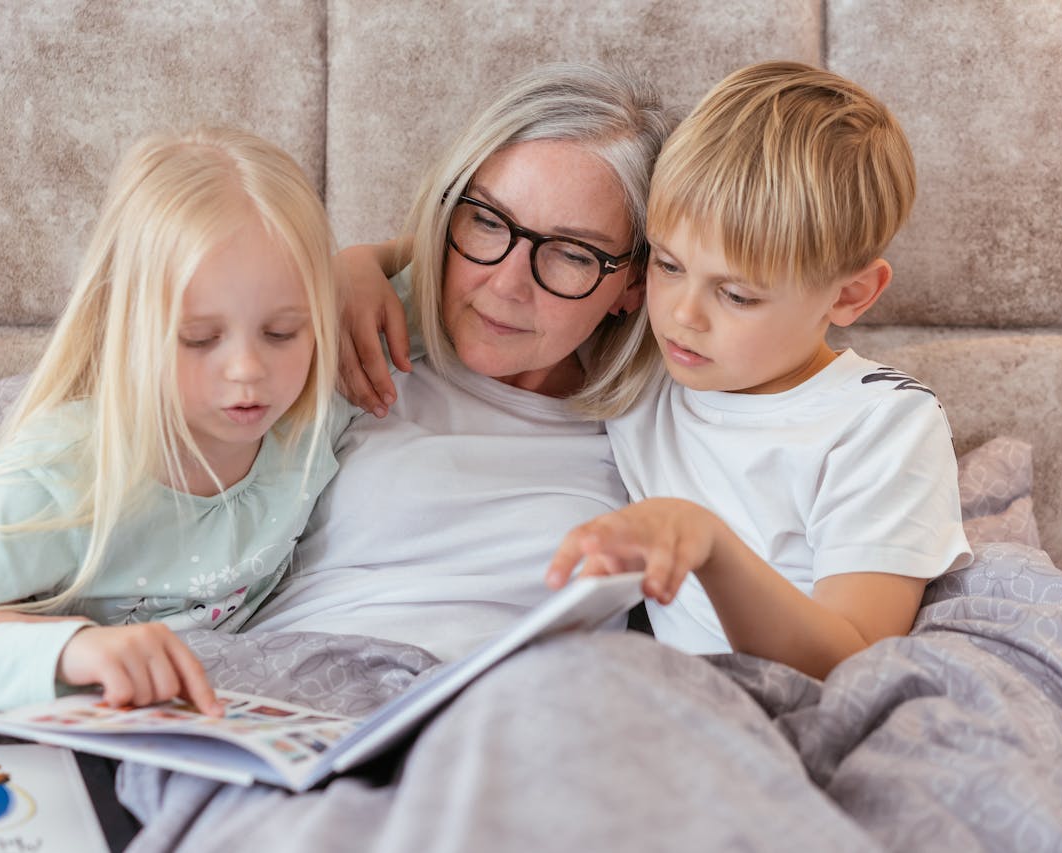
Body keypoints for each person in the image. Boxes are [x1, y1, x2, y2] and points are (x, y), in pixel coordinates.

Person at [0, 127, 345, 715]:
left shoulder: (313, 410)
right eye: (198, 339)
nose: (248, 371)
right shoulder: (65, 471)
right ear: (127, 329)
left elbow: (440, 282)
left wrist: (365, 266)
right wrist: (68, 652)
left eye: (283, 332)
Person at [546, 61, 973, 678]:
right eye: (667, 264)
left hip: (779, 710)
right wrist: (372, 268)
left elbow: (854, 660)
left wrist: (709, 545)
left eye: (737, 296)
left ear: (849, 297)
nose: (682, 315)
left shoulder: (882, 424)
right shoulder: (645, 358)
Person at [242, 62, 674, 660]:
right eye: (489, 222)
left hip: (521, 714)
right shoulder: (360, 341)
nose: (506, 284)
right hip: (294, 687)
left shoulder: (665, 420)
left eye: (572, 254)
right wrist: (353, 266)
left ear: (633, 285)